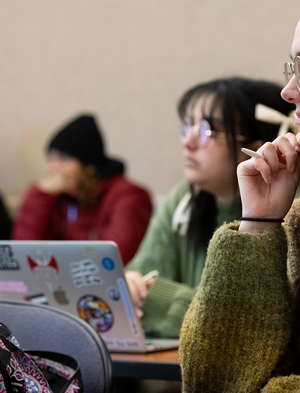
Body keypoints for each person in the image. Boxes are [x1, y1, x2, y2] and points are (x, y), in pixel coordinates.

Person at [179, 20, 300, 393]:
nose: (288, 90)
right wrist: (257, 225)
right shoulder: (293, 217)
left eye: (204, 131)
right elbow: (209, 381)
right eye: (293, 67)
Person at [125, 77, 297, 339]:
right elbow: (135, 279)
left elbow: (253, 327)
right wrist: (133, 287)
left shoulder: (292, 207)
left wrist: (154, 297)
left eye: (206, 131)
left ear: (258, 149)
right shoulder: (186, 197)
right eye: (188, 127)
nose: (188, 142)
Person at [12, 114, 152, 265]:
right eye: (50, 158)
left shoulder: (129, 196)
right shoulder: (57, 199)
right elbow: (24, 258)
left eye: (63, 158)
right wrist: (39, 197)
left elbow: (111, 261)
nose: (53, 168)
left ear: (88, 166)